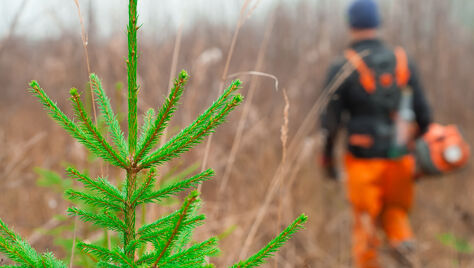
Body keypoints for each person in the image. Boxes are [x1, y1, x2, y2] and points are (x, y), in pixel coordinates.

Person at [319, 0, 432, 267]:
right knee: (395, 214)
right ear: (377, 23)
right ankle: (404, 247)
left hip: (362, 161)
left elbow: (329, 122)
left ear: (350, 25)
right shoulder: (403, 60)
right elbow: (425, 116)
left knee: (366, 223)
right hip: (400, 158)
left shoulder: (342, 65)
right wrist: (418, 149)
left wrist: (327, 158)